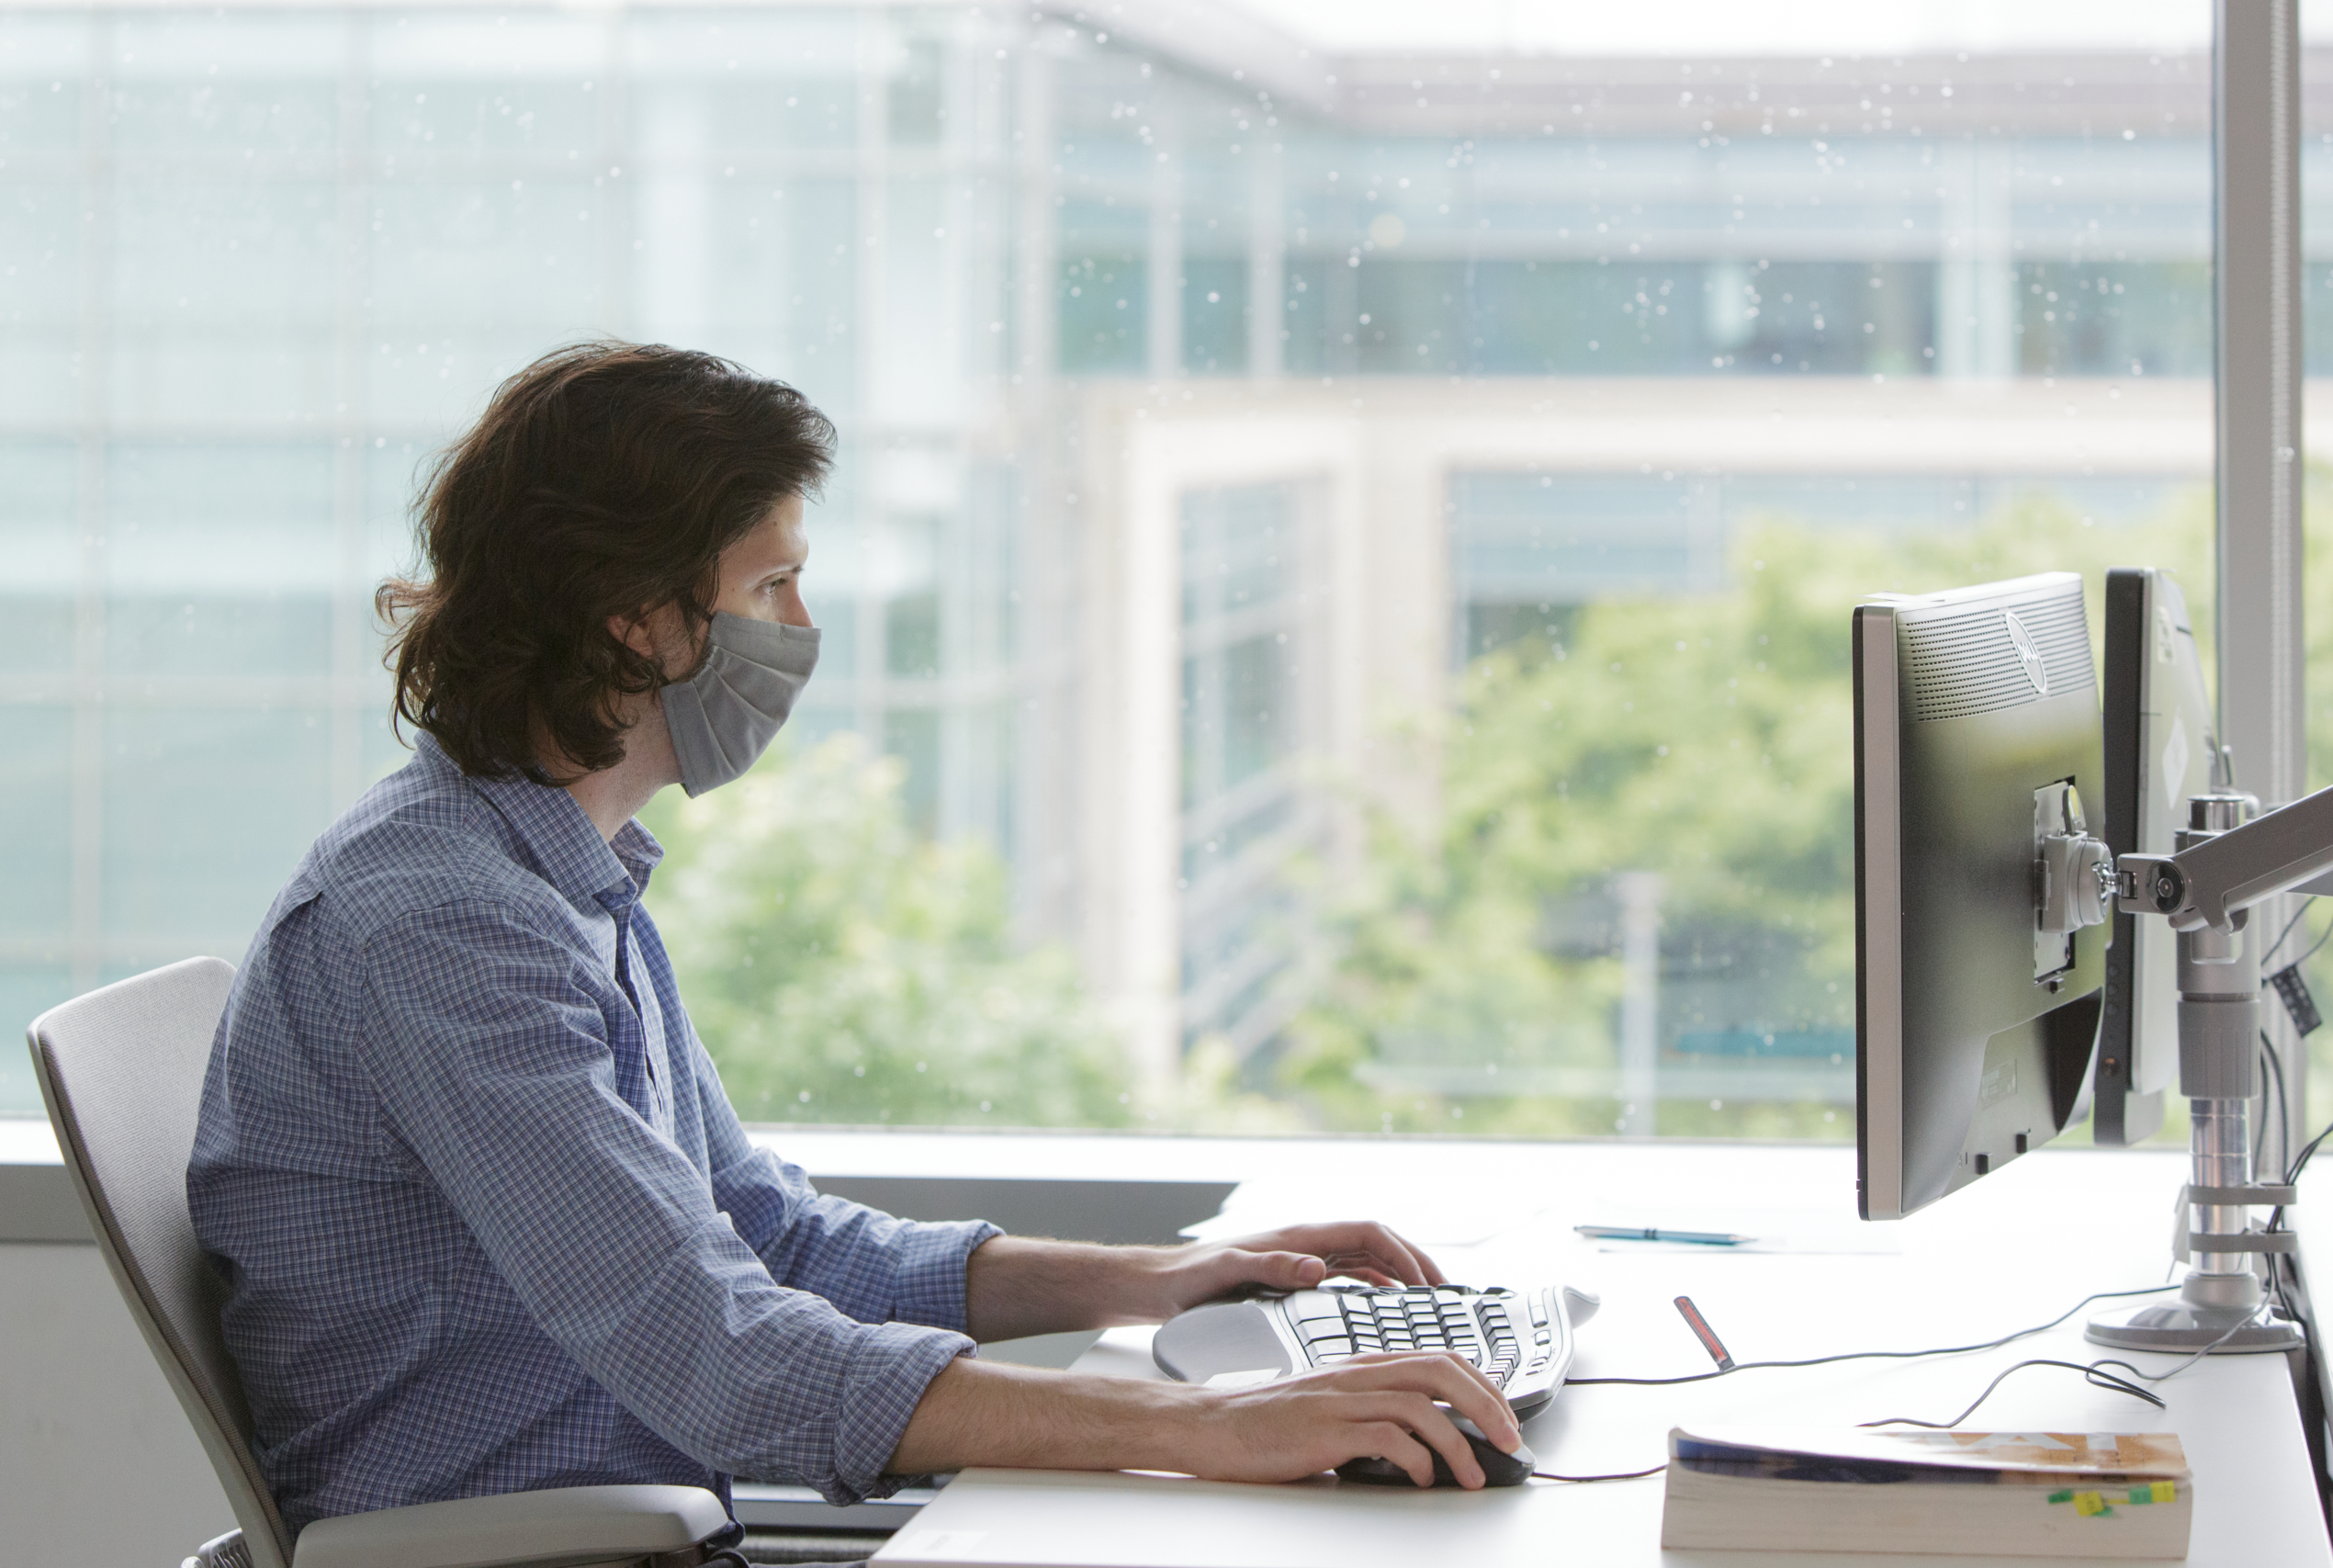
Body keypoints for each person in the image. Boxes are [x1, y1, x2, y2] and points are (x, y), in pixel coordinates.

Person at [187, 343, 1518, 1545]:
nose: (801, 634)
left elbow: (770, 1241)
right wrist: (1209, 1431)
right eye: (772, 582)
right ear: (637, 616)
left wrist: (1163, 1280)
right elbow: (715, 1351)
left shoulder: (555, 882)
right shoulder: (440, 921)